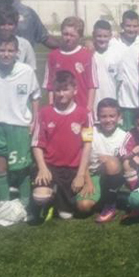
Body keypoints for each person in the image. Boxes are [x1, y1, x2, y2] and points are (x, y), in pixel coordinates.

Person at [0, 34, 40, 209]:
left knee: (21, 168)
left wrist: (34, 121)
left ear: (17, 52)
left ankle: (25, 204)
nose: (6, 54)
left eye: (10, 50)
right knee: (1, 167)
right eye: (2, 50)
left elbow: (35, 96)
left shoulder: (26, 71)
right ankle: (4, 204)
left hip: (19, 127)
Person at [32, 71, 95, 222]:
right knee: (40, 197)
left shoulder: (84, 114)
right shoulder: (44, 113)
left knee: (66, 215)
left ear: (75, 90)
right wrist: (42, 168)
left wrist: (81, 174)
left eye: (65, 89)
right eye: (58, 90)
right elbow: (36, 144)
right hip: (51, 167)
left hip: (73, 168)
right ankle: (50, 198)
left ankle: (58, 200)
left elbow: (87, 145)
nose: (61, 94)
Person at [43, 16, 95, 112]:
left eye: (72, 35)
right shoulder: (53, 56)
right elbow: (49, 86)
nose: (68, 38)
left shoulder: (87, 55)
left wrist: (89, 107)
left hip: (81, 108)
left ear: (80, 36)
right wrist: (51, 107)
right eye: (65, 34)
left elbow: (92, 84)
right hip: (59, 109)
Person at [90, 98, 128, 224]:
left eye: (112, 116)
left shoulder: (124, 136)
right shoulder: (91, 131)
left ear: (119, 117)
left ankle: (110, 205)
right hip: (93, 173)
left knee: (111, 163)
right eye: (103, 116)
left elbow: (124, 162)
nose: (108, 120)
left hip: (113, 175)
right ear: (97, 116)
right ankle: (114, 197)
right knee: (83, 207)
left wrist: (108, 159)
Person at [114, 10, 139, 131]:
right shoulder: (115, 42)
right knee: (125, 134)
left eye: (135, 26)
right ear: (122, 25)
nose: (131, 29)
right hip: (122, 101)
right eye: (128, 26)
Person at [0, 3, 37, 70]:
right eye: (2, 24)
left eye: (10, 24)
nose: (6, 28)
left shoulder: (25, 45)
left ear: (16, 25)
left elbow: (31, 70)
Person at [91, 20, 121, 114]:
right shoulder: (89, 54)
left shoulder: (116, 54)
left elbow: (119, 82)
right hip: (92, 104)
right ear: (93, 35)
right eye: (99, 36)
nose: (102, 39)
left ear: (110, 36)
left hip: (111, 104)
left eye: (105, 36)